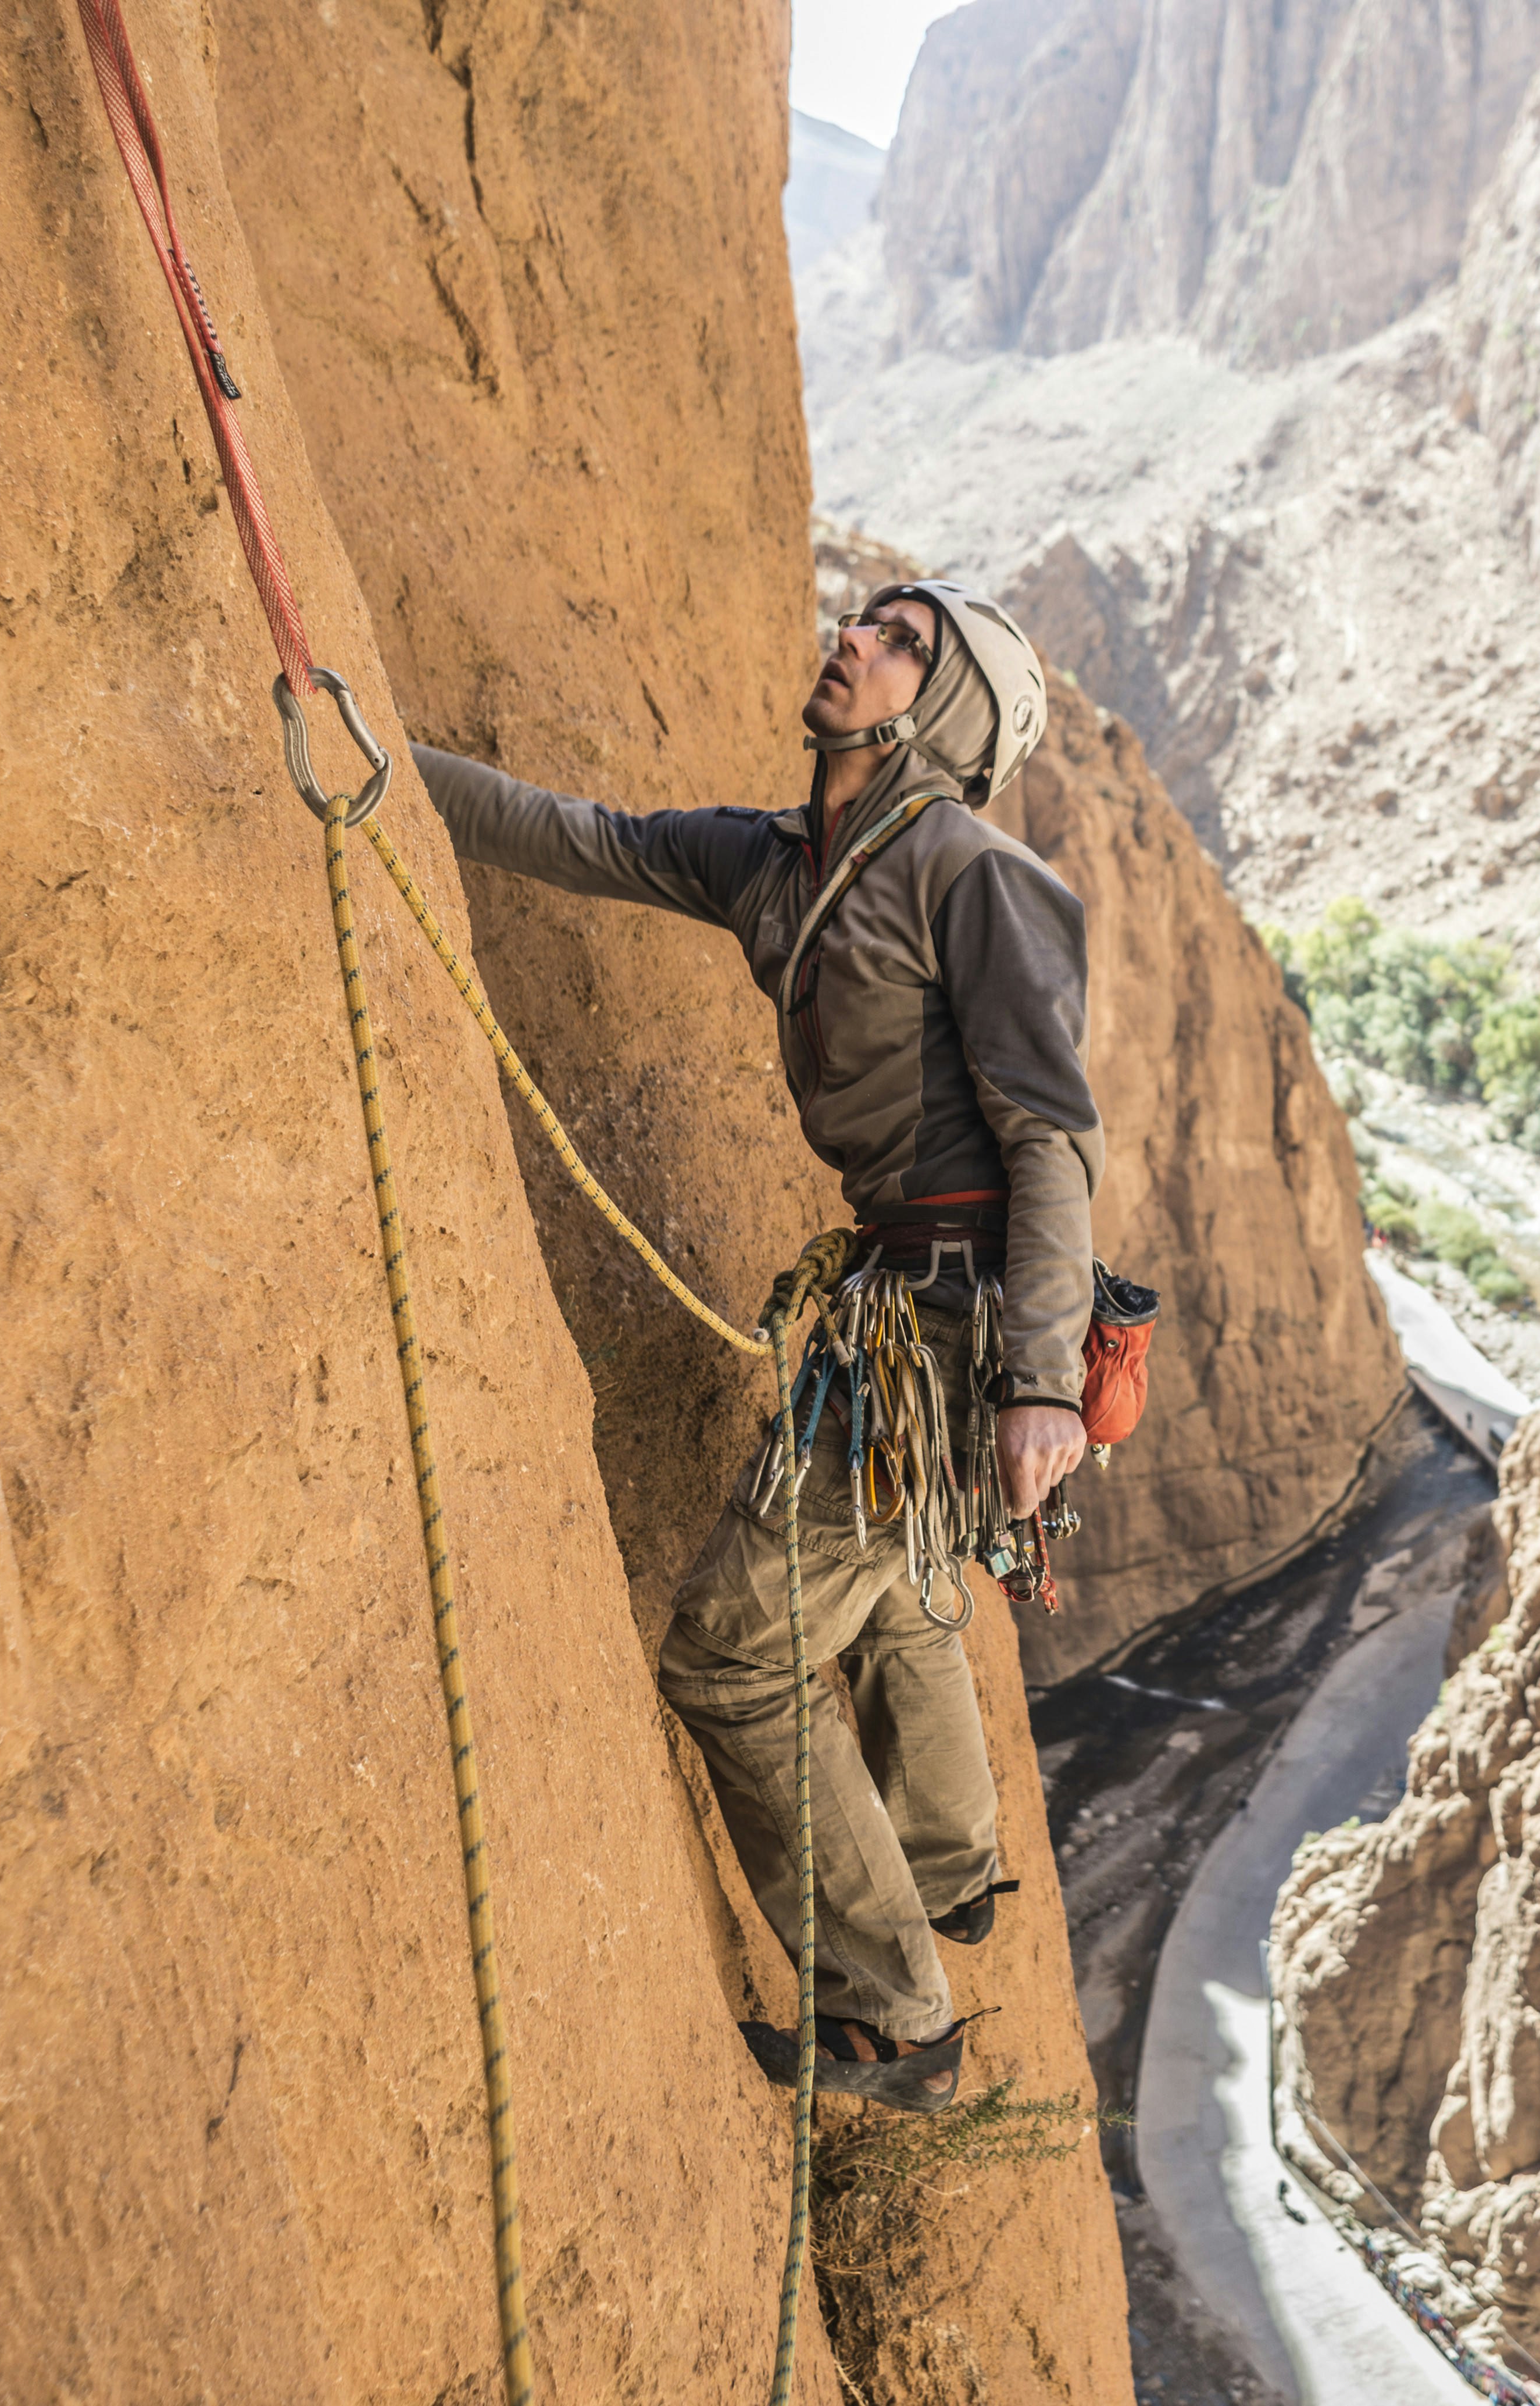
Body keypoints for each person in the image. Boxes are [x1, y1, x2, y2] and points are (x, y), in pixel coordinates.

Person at [409, 580, 1098, 2111]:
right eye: (867, 619)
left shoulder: (973, 875)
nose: (854, 637)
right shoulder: (781, 863)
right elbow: (573, 835)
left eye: (904, 642)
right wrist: (385, 765)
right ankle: (944, 1864)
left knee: (736, 1646)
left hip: (954, 1323)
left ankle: (887, 2014)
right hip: (899, 1303)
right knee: (897, 1580)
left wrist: (1045, 1381)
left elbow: (1051, 1131)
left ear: (949, 716)